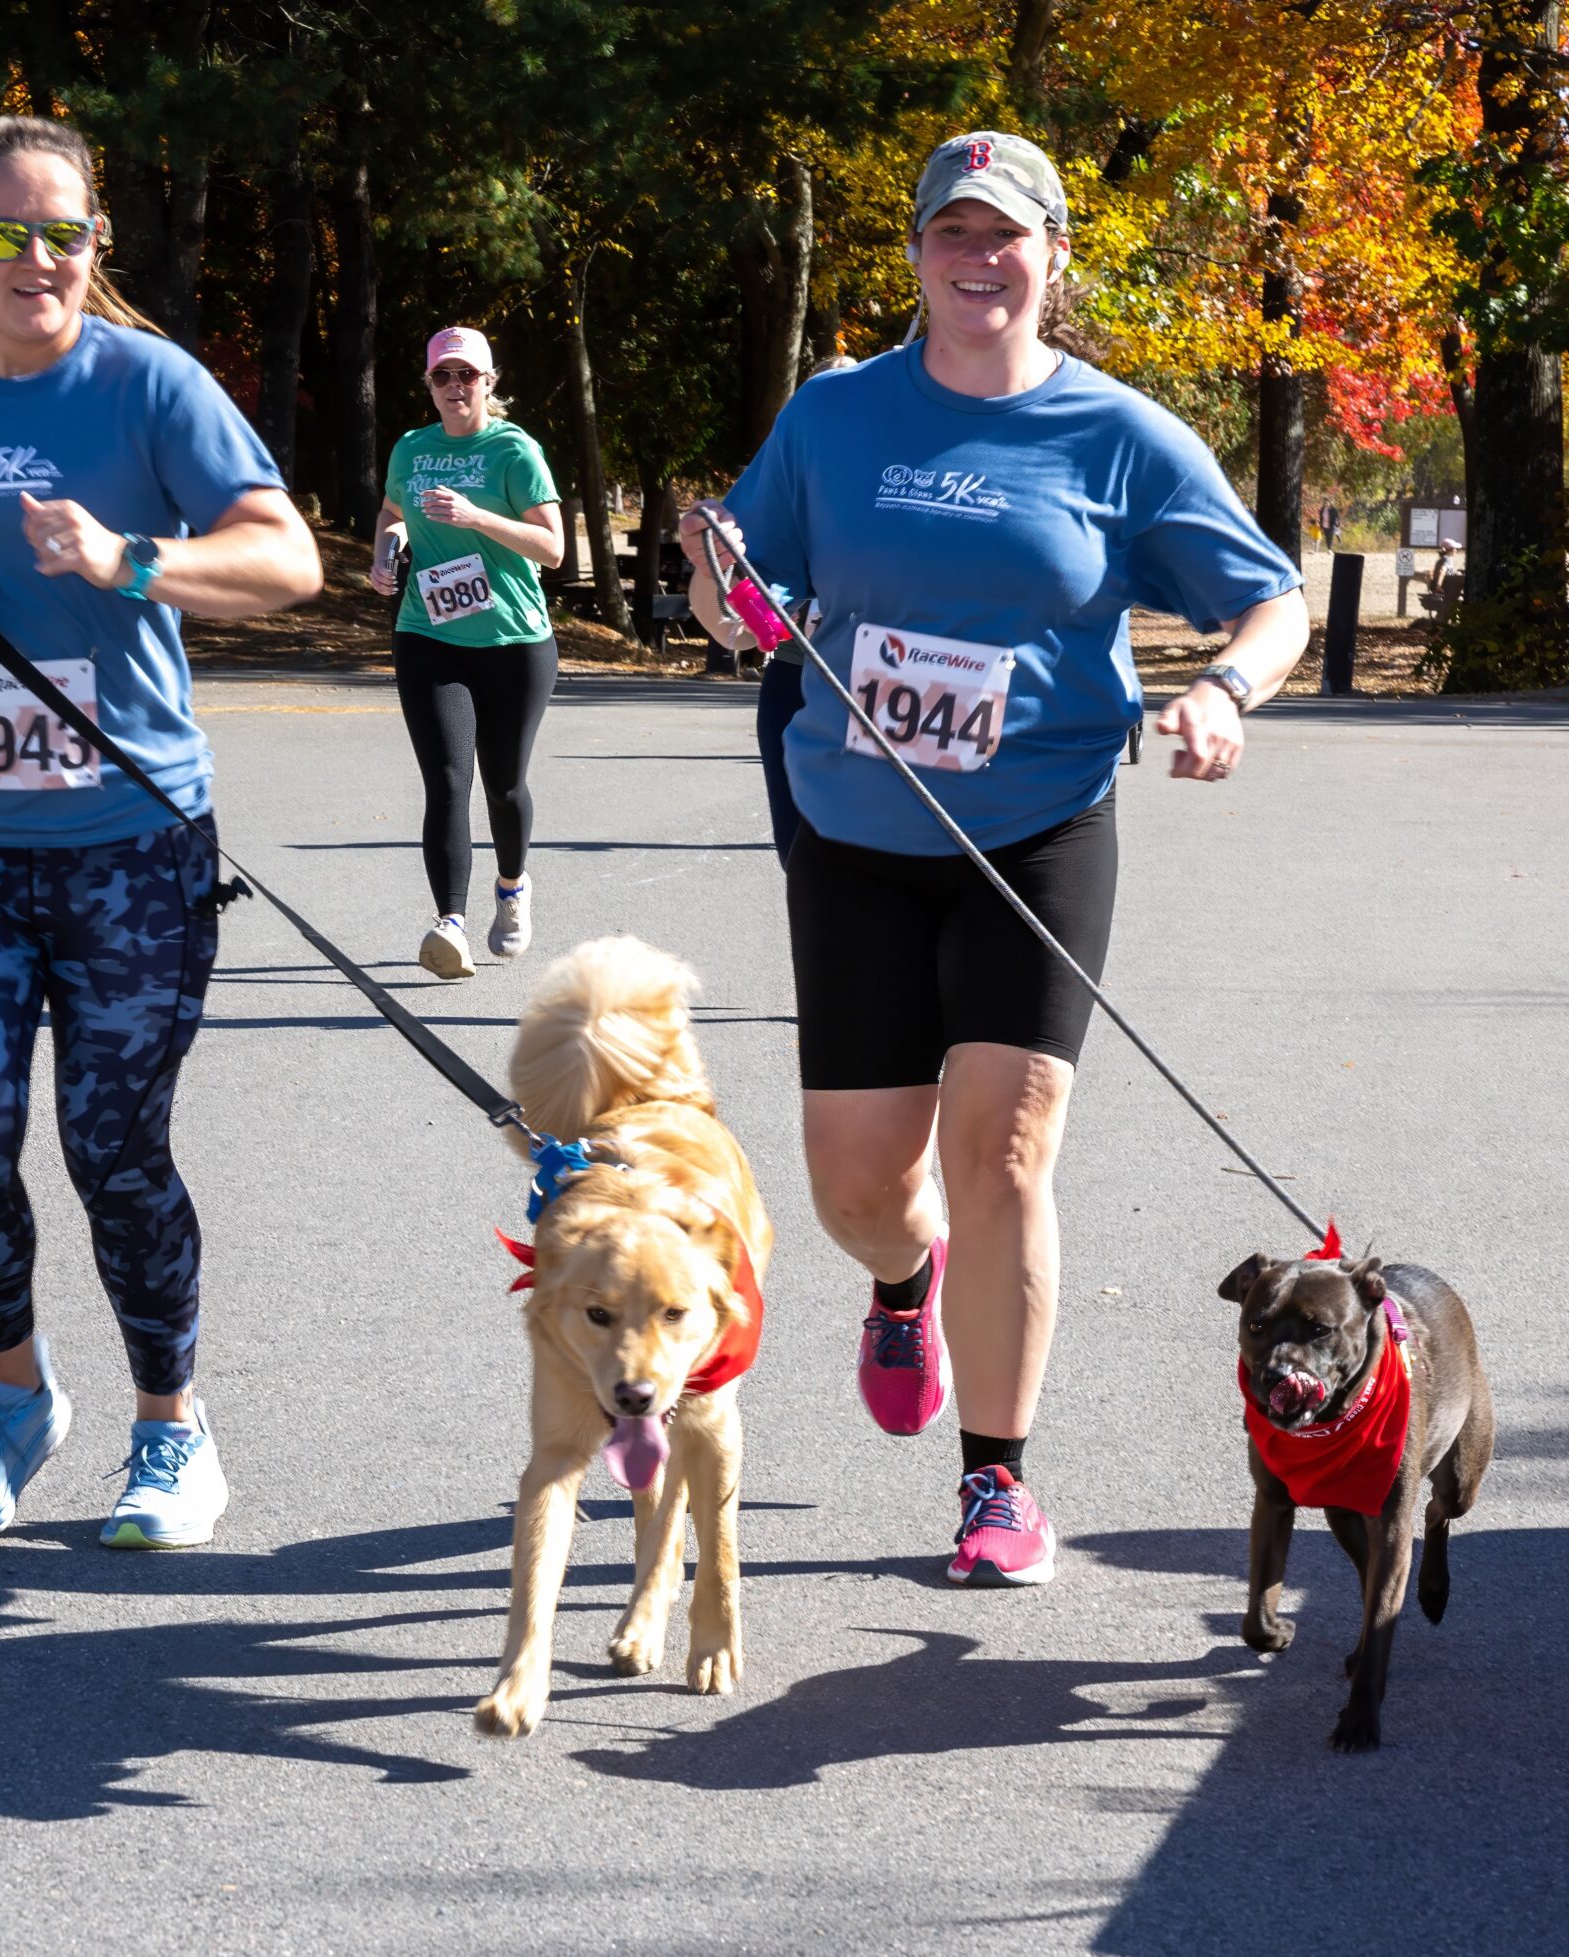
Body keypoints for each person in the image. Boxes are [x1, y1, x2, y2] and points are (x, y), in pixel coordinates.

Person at [683, 131, 1308, 1588]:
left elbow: (1268, 597)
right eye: (952, 234)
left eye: (1007, 235)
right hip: (854, 832)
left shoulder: (1121, 439)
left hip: (1035, 831)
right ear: (915, 253)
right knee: (856, 1185)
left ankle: (998, 1483)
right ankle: (904, 1281)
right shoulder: (836, 419)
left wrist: (1225, 691)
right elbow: (745, 602)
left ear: (1054, 257)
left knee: (1007, 1149)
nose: (979, 260)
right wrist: (723, 591)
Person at [0, 115, 323, 1549]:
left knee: (114, 1147)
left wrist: (129, 559)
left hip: (131, 839)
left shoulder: (150, 382)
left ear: (96, 242)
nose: (38, 259)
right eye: (5, 232)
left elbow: (287, 556)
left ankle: (173, 1426)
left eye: (67, 233)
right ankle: (10, 1398)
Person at [368, 328, 565, 980]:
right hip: (429, 632)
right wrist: (385, 549)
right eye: (442, 377)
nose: (455, 388)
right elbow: (394, 511)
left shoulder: (514, 450)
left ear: (490, 382)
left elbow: (553, 548)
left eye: (468, 376)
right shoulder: (412, 448)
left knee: (504, 785)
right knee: (448, 780)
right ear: (428, 385)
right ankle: (448, 921)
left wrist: (475, 516)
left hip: (513, 641)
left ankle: (511, 887)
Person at [754, 353, 858, 865]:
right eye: (823, 394)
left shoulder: (894, 481)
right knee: (796, 857)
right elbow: (752, 596)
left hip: (870, 689)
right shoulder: (785, 480)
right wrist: (774, 614)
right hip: (791, 680)